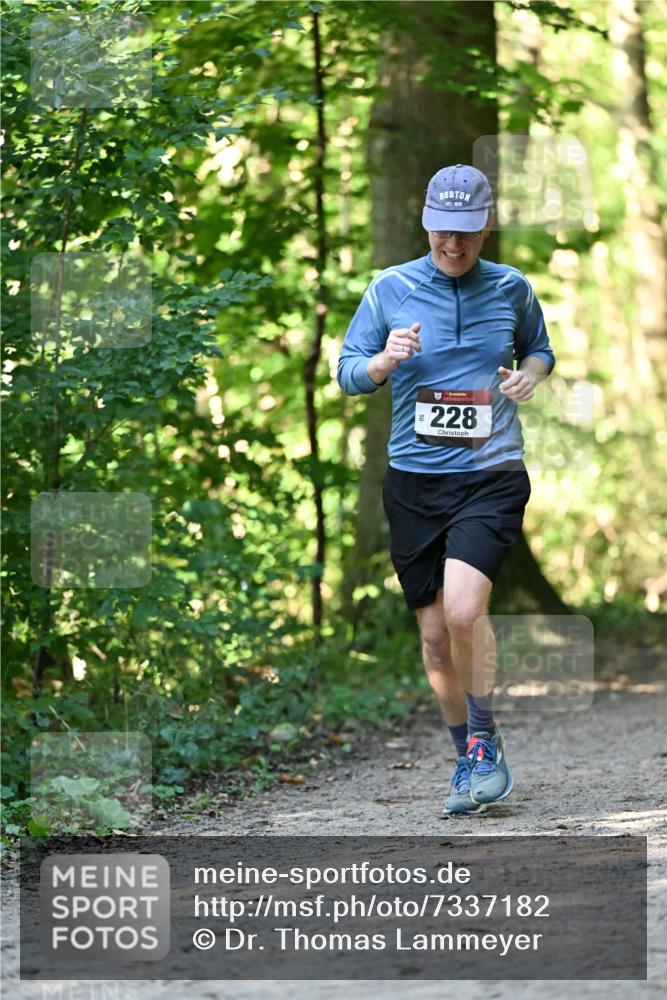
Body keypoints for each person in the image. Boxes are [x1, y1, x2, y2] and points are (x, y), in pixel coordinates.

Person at [337, 164, 555, 816]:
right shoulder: (389, 288)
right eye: (442, 231)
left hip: (490, 475)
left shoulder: (512, 288)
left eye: (466, 233)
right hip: (413, 482)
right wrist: (383, 361)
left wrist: (529, 375)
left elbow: (540, 350)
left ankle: (484, 744)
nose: (453, 245)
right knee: (434, 637)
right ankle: (467, 757)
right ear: (425, 222)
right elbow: (348, 372)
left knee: (463, 613)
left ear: (486, 227)